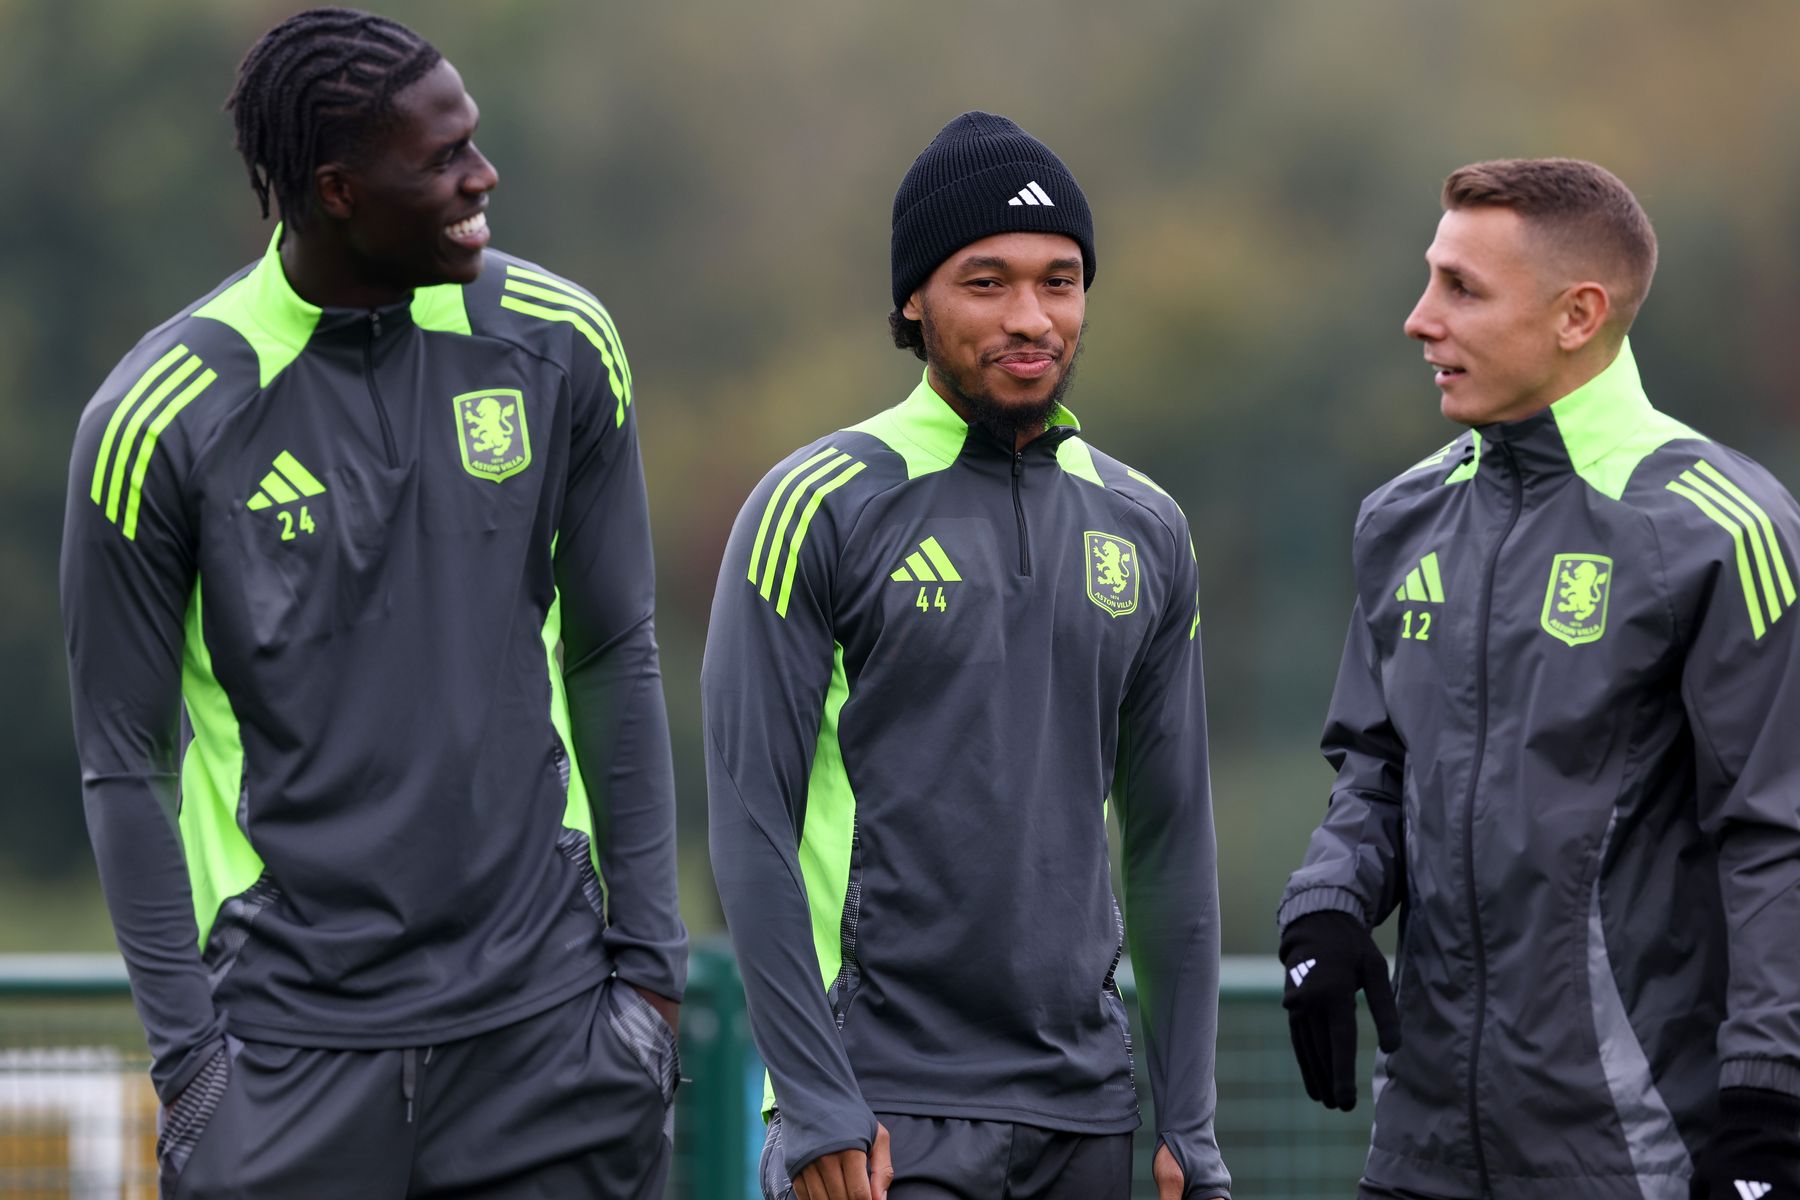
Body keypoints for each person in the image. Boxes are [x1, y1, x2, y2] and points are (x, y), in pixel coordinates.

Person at [58, 9, 685, 1196]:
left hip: (548, 1040)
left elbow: (617, 651)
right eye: (442, 159)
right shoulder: (164, 415)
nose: (481, 176)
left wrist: (648, 979)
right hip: (288, 1058)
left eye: (476, 142)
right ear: (337, 190)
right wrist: (193, 1068)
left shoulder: (557, 343)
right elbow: (121, 759)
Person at [703, 111, 1232, 1200]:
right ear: (913, 298)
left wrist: (1190, 1120)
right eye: (986, 283)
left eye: (1061, 279)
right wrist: (812, 1101)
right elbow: (749, 822)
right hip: (880, 1109)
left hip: (1084, 1111)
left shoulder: (1148, 527)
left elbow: (1172, 837)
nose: (1031, 317)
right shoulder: (819, 505)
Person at [1278, 157, 1800, 1200]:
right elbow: (1377, 771)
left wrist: (1769, 1099)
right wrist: (1327, 905)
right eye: (1432, 278)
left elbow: (1777, 837)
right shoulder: (1402, 518)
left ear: (1578, 315)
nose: (1420, 320)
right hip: (1418, 1147)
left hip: (1634, 1147)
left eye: (1462, 289)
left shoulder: (1720, 528)